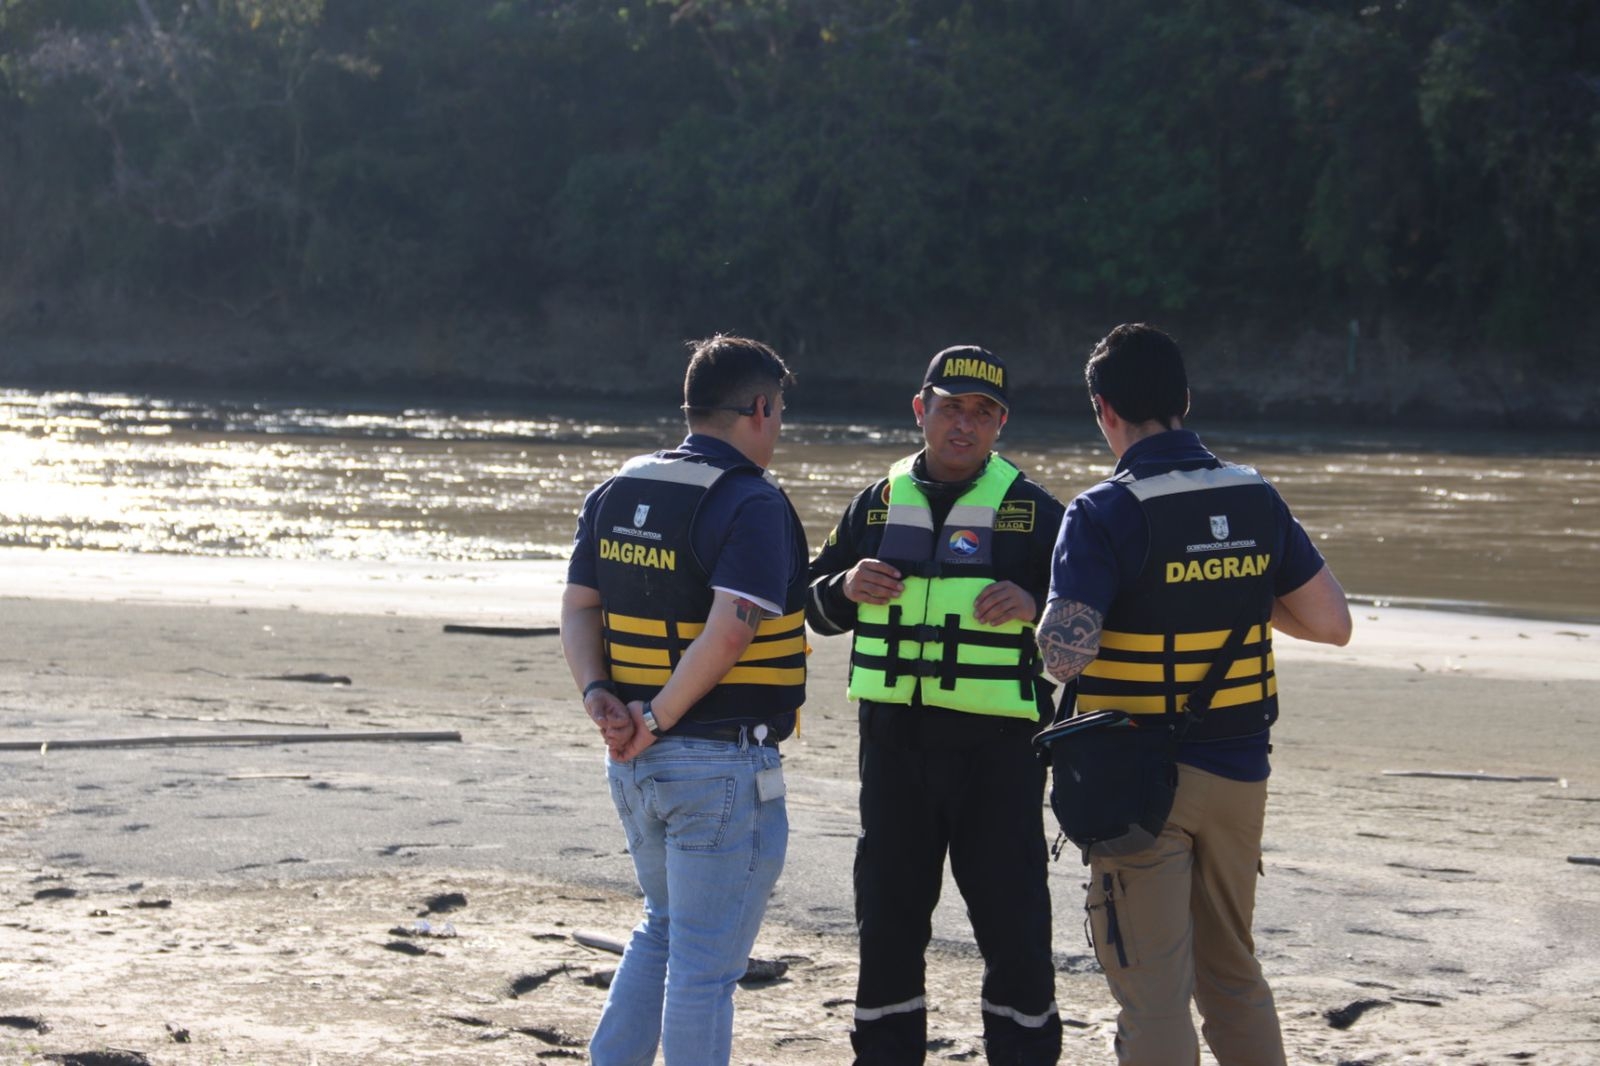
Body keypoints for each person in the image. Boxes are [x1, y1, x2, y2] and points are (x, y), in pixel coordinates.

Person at [1036, 323, 1353, 1065]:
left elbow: (1062, 656)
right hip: (1242, 774)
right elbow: (1331, 622)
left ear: (1102, 410)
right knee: (1232, 972)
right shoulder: (1254, 496)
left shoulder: (1103, 511)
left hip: (1140, 783)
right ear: (1185, 399)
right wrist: (1233, 592)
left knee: (1152, 990)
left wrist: (1047, 607)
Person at [806, 346, 1066, 1065]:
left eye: (983, 413)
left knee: (1013, 926)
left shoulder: (1039, 514)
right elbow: (813, 606)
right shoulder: (876, 503)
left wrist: (1038, 607)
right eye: (951, 407)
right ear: (921, 410)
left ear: (1001, 424)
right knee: (887, 922)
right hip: (894, 750)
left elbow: (1088, 632)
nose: (965, 425)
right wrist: (844, 586)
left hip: (1000, 757)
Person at [560, 334, 808, 1065]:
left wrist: (600, 697)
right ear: (759, 409)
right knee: (704, 965)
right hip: (716, 763)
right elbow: (730, 631)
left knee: (663, 928)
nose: (780, 425)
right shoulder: (751, 502)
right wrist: (657, 718)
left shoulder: (618, 487)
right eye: (781, 411)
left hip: (632, 761)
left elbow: (578, 608)